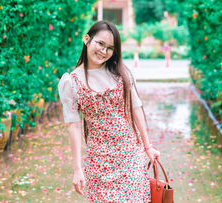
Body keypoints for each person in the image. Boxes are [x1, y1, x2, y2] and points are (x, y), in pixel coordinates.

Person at [58, 20, 160, 202]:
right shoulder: (71, 82)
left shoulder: (121, 74)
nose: (104, 51)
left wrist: (148, 146)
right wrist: (77, 169)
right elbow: (73, 126)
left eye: (110, 48)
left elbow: (136, 109)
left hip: (130, 156)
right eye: (100, 44)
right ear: (87, 39)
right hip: (99, 162)